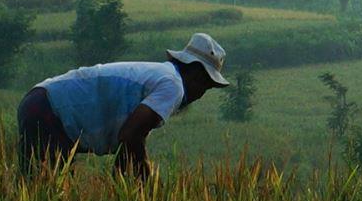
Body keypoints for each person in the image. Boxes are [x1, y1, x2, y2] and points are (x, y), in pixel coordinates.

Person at [17, 32, 229, 175]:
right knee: (46, 195)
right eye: (205, 87)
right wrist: (146, 177)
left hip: (41, 101)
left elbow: (126, 148)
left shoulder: (161, 75)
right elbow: (130, 136)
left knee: (44, 193)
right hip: (48, 110)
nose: (201, 94)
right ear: (196, 74)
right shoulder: (172, 86)